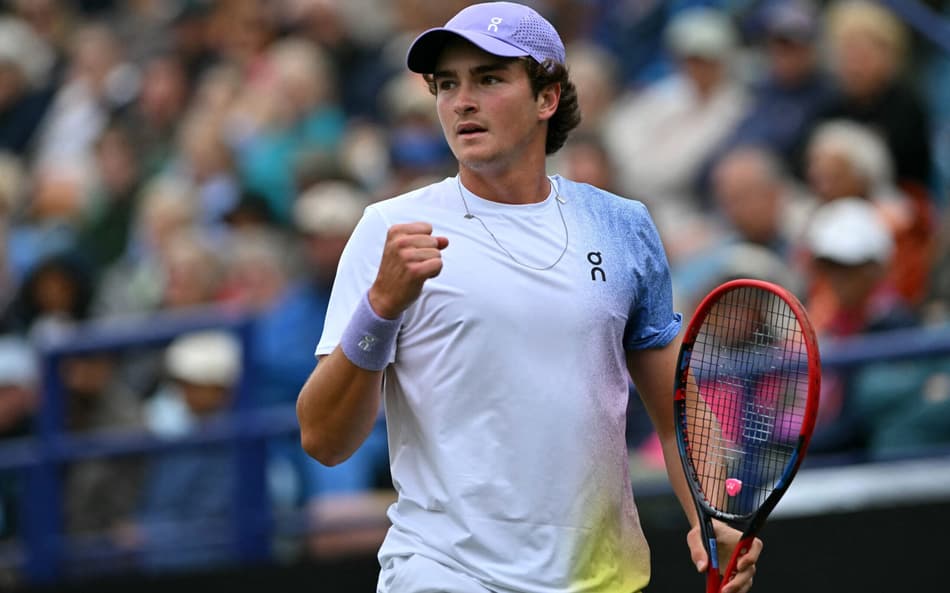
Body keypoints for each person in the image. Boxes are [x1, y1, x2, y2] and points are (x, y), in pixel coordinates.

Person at [296, 3, 761, 593]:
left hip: (600, 577)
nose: (461, 101)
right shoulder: (389, 229)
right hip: (441, 575)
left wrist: (714, 515)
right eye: (446, 84)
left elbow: (677, 418)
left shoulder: (620, 226)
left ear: (546, 98)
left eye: (488, 79)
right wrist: (380, 306)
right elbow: (323, 440)